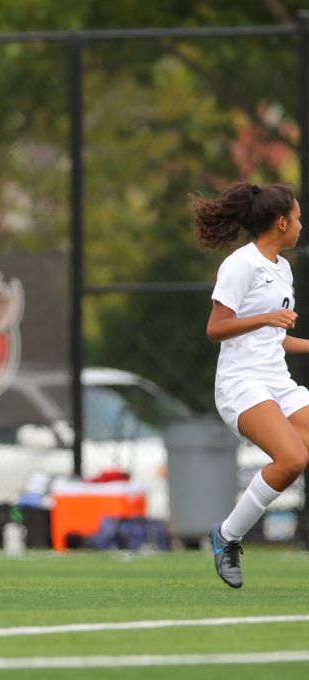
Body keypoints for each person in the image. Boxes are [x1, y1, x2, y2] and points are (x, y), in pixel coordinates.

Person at [194, 182, 309, 588]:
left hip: (278, 381)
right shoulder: (240, 265)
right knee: (292, 460)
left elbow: (275, 339)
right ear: (281, 221)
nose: (300, 225)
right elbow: (215, 329)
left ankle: (227, 535)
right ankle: (227, 536)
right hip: (242, 384)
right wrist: (263, 318)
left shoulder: (283, 269)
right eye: (296, 218)